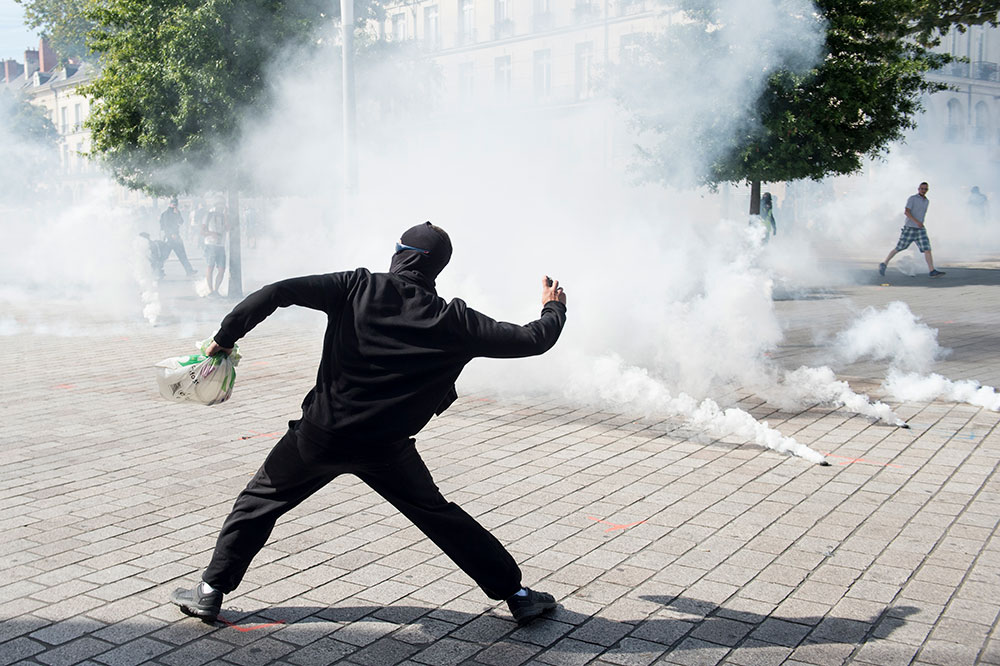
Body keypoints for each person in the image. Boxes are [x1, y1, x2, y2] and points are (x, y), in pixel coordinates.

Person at [170, 222, 568, 627]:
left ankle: (210, 591)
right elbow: (533, 339)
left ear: (401, 254)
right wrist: (554, 306)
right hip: (386, 449)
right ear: (436, 267)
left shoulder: (357, 286)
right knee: (441, 518)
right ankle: (518, 596)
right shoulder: (453, 321)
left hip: (320, 436)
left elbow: (276, 293)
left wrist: (225, 337)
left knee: (257, 504)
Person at [879, 182, 946, 278]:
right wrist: (916, 221)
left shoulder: (926, 201)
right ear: (918, 189)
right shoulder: (912, 199)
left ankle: (932, 271)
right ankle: (884, 263)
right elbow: (906, 212)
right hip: (910, 228)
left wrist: (919, 223)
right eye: (922, 189)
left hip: (920, 229)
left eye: (926, 189)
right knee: (899, 247)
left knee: (927, 249)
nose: (923, 191)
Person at [159, 198, 198, 277]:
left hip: (176, 237)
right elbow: (165, 226)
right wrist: (171, 234)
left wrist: (177, 214)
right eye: (173, 204)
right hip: (169, 238)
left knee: (182, 255)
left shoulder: (176, 212)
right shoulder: (166, 214)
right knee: (164, 256)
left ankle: (189, 271)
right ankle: (157, 270)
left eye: (176, 204)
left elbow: (181, 222)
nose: (174, 206)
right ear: (170, 204)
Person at [202, 202, 228, 296]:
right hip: (210, 245)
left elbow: (228, 228)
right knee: (210, 267)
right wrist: (212, 234)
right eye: (219, 206)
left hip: (221, 246)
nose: (220, 208)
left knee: (222, 269)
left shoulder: (224, 217)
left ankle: (216, 290)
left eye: (222, 206)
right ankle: (210, 290)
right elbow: (202, 231)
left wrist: (225, 215)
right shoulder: (208, 215)